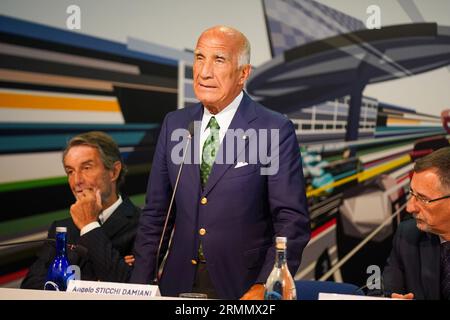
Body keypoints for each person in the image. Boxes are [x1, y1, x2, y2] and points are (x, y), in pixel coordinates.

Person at [130, 26, 310, 299]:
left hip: (242, 286)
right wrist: (139, 287)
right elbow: (156, 214)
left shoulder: (273, 128)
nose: (204, 72)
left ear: (243, 74)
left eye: (219, 60)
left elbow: (290, 220)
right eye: (200, 58)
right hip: (177, 283)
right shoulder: (176, 124)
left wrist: (265, 283)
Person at [21, 131, 141, 289]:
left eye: (86, 168)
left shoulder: (144, 224)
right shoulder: (61, 228)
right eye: (70, 171)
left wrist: (89, 225)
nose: (76, 181)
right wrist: (92, 281)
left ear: (114, 172)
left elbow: (132, 288)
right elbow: (30, 286)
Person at [382, 146, 450, 299]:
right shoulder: (407, 236)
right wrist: (388, 298)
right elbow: (381, 289)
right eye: (411, 193)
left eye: (422, 198)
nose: (409, 207)